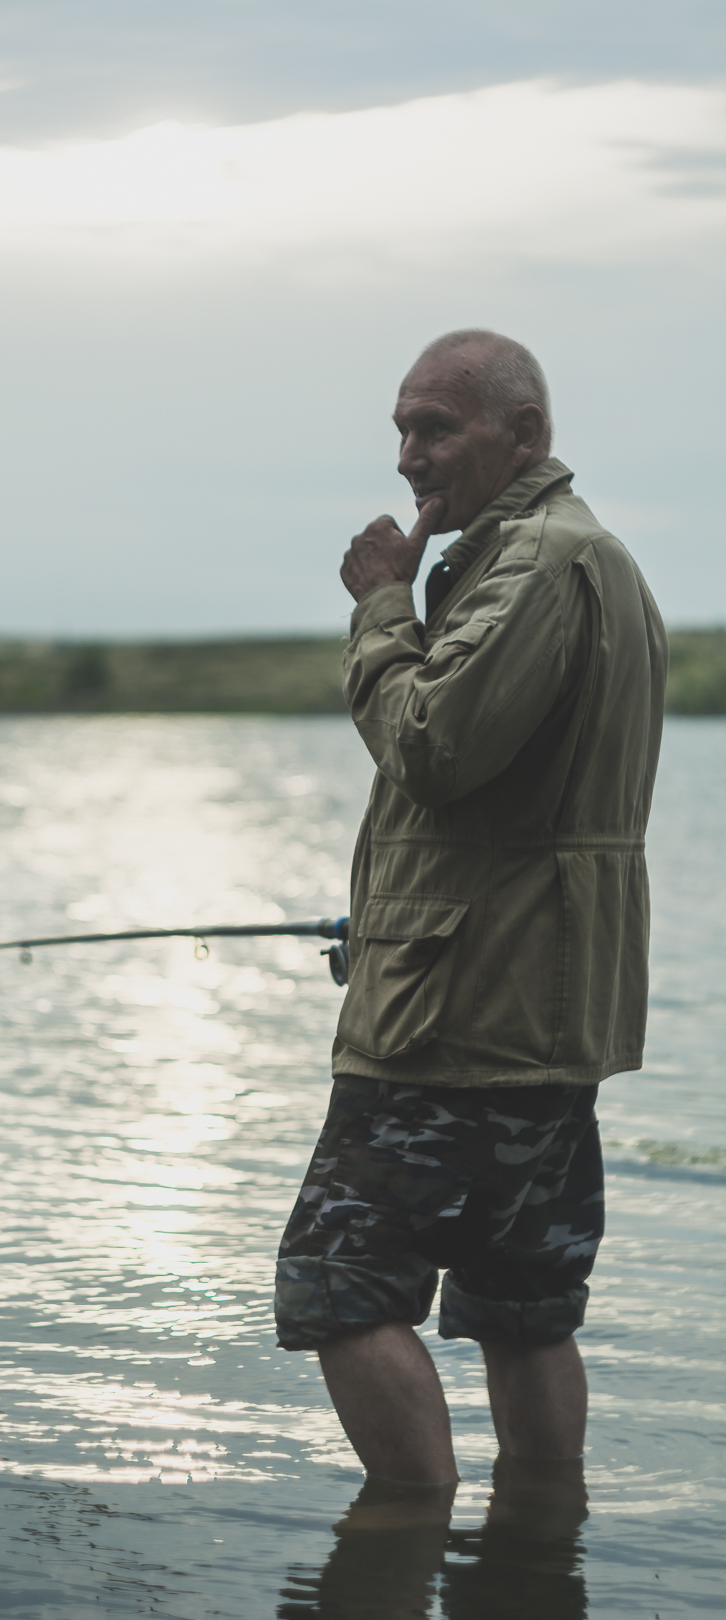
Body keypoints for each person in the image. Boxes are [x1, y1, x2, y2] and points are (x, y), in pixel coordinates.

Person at [273, 328, 668, 1488]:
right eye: (401, 428)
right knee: (523, 1307)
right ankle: (536, 1562)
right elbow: (510, 809)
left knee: (338, 1285)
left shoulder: (538, 565)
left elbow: (432, 749)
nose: (408, 456)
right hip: (545, 1016)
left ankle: (400, 1550)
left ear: (525, 434)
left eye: (435, 427)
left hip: (457, 1025)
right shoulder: (594, 560)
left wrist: (384, 607)